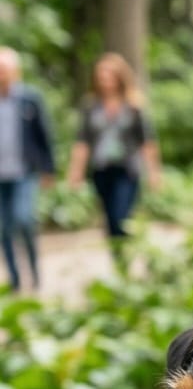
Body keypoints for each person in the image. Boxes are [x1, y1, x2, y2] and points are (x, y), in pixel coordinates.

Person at [67, 53, 160, 242]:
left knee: (121, 217)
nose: (105, 80)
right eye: (101, 75)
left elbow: (147, 141)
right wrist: (75, 172)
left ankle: (125, 252)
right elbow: (82, 142)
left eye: (109, 75)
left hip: (127, 169)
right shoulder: (91, 106)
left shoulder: (133, 106)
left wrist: (154, 173)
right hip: (102, 169)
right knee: (110, 219)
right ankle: (118, 261)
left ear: (120, 77)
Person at [0, 47, 55, 292]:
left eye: (5, 69)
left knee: (24, 219)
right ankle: (14, 279)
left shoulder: (29, 98)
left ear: (15, 71)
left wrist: (48, 169)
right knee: (4, 227)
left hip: (24, 172)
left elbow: (44, 135)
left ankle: (34, 272)